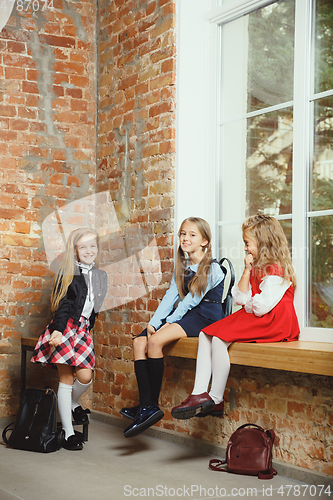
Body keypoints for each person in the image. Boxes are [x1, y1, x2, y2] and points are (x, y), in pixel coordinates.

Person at [171, 214, 300, 420]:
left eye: (248, 243)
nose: (245, 248)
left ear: (263, 242)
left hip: (274, 321)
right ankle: (199, 393)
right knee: (206, 333)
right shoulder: (257, 266)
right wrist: (247, 270)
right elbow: (239, 297)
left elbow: (260, 306)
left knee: (219, 339)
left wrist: (249, 302)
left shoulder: (276, 269)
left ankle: (215, 398)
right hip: (260, 315)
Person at [121, 217, 226, 438]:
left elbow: (192, 300)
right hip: (187, 314)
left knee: (155, 341)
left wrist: (168, 324)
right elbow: (171, 297)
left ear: (205, 241)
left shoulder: (213, 268)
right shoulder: (184, 266)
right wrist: (154, 322)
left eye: (192, 235)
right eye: (182, 234)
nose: (185, 238)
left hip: (205, 315)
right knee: (140, 341)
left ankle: (151, 405)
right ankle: (146, 406)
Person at [31, 227, 108, 450]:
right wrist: (58, 330)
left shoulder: (101, 275)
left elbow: (95, 307)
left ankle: (73, 403)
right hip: (65, 328)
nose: (88, 250)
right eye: (83, 246)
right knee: (66, 379)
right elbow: (62, 305)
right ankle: (68, 433)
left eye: (92, 245)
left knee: (85, 376)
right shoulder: (67, 272)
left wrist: (89, 328)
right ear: (74, 250)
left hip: (83, 331)